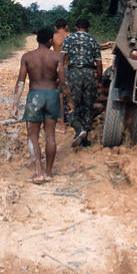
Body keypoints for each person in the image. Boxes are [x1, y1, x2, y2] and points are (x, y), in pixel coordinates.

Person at [11, 27, 74, 184]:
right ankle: (49, 172)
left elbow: (20, 82)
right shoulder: (57, 57)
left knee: (33, 135)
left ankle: (38, 172)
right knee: (50, 135)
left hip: (35, 96)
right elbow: (64, 82)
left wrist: (15, 105)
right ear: (50, 41)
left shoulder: (27, 57)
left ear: (37, 39)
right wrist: (70, 100)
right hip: (52, 96)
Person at [61, 18, 102, 148]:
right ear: (88, 28)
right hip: (89, 74)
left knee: (72, 105)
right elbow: (99, 64)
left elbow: (61, 59)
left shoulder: (69, 39)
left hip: (73, 73)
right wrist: (99, 81)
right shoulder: (93, 40)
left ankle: (79, 130)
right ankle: (84, 140)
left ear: (75, 27)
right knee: (88, 105)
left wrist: (61, 76)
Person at [53, 19, 70, 132]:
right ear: (67, 26)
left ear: (55, 27)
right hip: (71, 67)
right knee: (71, 94)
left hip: (59, 68)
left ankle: (62, 125)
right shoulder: (71, 36)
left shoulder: (53, 37)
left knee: (59, 96)